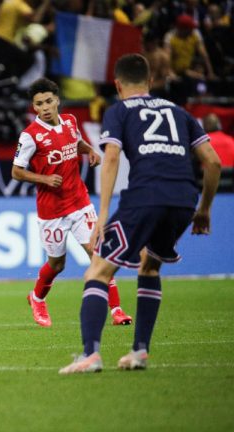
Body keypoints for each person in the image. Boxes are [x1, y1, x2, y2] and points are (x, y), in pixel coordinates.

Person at [59, 54, 221, 374]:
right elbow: (213, 162)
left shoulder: (119, 110)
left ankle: (90, 355)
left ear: (118, 85)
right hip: (183, 201)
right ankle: (139, 352)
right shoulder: (179, 112)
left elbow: (111, 157)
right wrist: (204, 209)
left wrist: (103, 213)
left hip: (145, 197)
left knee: (97, 272)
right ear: (149, 82)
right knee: (149, 267)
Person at [12, 78, 133, 328]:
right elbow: (16, 171)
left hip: (79, 202)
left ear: (57, 100)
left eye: (48, 101)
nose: (45, 107)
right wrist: (44, 178)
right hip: (52, 211)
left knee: (98, 255)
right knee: (57, 264)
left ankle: (117, 310)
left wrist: (89, 150)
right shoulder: (30, 136)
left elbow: (75, 142)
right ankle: (37, 298)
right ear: (34, 107)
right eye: (39, 104)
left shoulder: (70, 121)